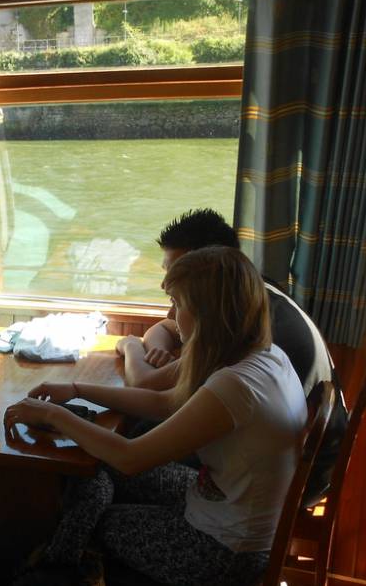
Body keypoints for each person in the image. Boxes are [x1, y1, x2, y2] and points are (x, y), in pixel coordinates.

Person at [0, 246, 307, 586]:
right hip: (227, 516)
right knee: (95, 475)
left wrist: (53, 415)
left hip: (223, 555)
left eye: (177, 304)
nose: (171, 316)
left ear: (208, 314)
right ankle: (50, 584)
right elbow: (165, 403)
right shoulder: (265, 355)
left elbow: (131, 457)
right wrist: (78, 389)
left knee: (87, 523)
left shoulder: (236, 385)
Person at [114, 209, 346, 507]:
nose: (167, 283)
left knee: (119, 456)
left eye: (177, 272)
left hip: (292, 484)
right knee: (139, 432)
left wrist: (130, 345)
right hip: (290, 461)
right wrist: (153, 344)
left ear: (208, 269)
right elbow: (166, 327)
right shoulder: (249, 294)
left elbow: (147, 386)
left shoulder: (240, 333)